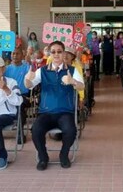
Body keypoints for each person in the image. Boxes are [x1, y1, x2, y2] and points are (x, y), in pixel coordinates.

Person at [24, 41, 84, 171]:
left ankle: (64, 154)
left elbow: (82, 86)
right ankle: (43, 156)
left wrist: (72, 81)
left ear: (64, 53)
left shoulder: (72, 70)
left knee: (71, 130)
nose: (56, 54)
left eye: (59, 51)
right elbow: (29, 85)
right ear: (50, 54)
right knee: (36, 130)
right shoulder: (42, 71)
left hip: (65, 112)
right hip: (46, 112)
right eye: (53, 52)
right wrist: (27, 79)